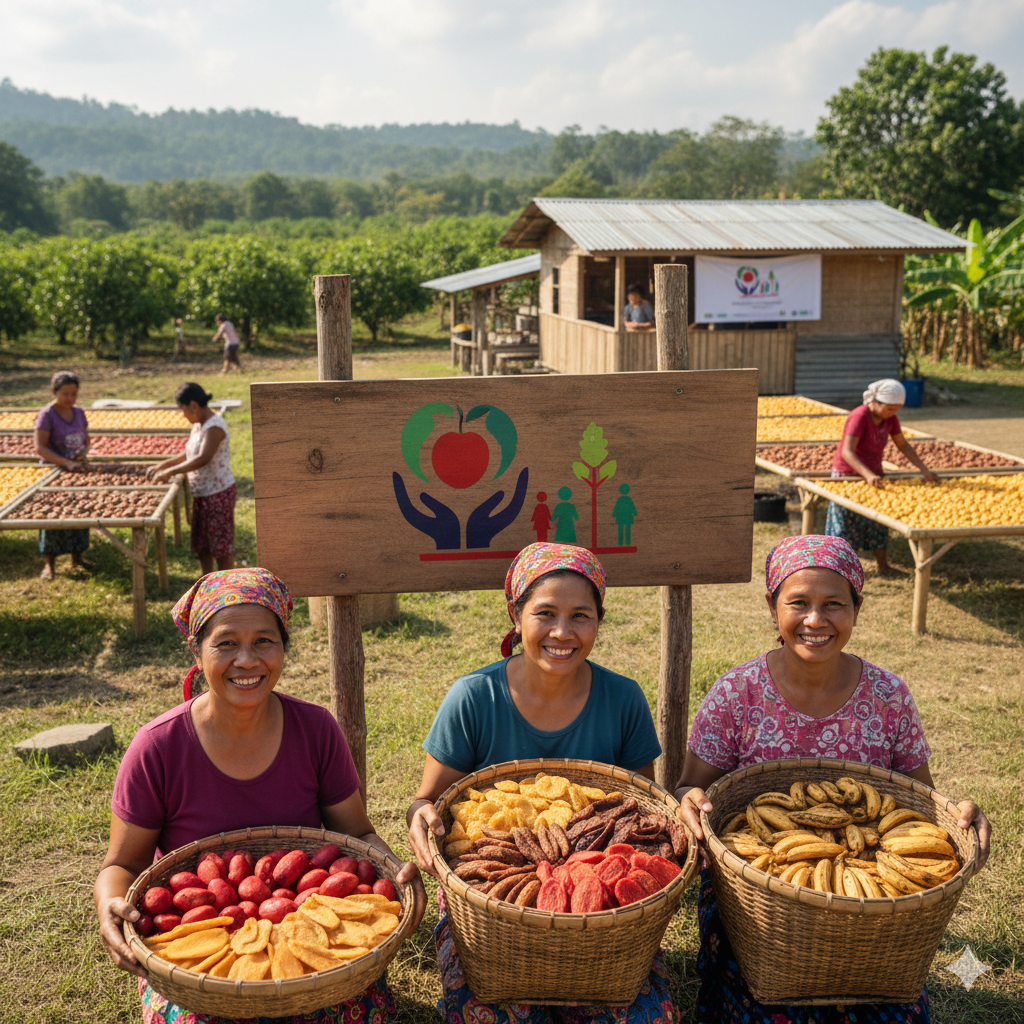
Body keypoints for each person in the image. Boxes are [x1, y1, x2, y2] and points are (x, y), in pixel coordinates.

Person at [675, 534, 991, 1024]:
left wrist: (962, 815)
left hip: (871, 901)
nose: (815, 620)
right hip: (758, 898)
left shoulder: (888, 696)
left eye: (834, 605)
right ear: (772, 607)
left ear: (857, 609)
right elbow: (686, 787)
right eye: (798, 603)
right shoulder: (737, 693)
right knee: (765, 1005)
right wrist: (690, 802)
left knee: (891, 1010)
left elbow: (923, 803)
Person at [94, 567, 425, 1024]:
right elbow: (121, 865)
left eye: (264, 641)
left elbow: (358, 834)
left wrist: (395, 873)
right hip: (198, 961)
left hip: (310, 949)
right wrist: (109, 906)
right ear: (196, 650)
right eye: (226, 643)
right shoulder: (157, 747)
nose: (247, 660)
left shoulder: (316, 729)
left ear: (283, 647)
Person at [407, 543, 676, 1024]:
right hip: (488, 911)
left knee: (643, 1014)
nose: (562, 632)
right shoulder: (475, 698)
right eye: (545, 613)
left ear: (599, 621)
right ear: (516, 615)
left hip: (599, 921)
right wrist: (420, 816)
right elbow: (427, 800)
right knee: (488, 1011)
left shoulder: (623, 699)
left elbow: (642, 818)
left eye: (580, 616)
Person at [828, 378, 939, 573]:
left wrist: (924, 470)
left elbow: (903, 445)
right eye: (889, 408)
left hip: (874, 475)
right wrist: (867, 475)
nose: (893, 413)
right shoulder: (859, 416)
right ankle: (839, 570)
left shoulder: (890, 420)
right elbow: (847, 452)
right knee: (844, 522)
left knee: (877, 521)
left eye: (896, 409)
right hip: (848, 474)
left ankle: (883, 566)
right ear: (875, 402)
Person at [147, 383, 235, 578]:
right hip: (202, 492)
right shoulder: (198, 425)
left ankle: (227, 583)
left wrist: (170, 472)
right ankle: (207, 580)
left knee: (220, 545)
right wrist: (164, 464)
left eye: (183, 409)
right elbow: (189, 453)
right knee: (203, 543)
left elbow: (203, 458)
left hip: (218, 493)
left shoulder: (214, 426)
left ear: (193, 405)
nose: (183, 415)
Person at [33, 370, 91, 579]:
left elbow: (86, 440)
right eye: (65, 393)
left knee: (79, 511)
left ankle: (77, 558)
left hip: (76, 471)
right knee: (53, 514)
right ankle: (50, 564)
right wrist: (65, 462)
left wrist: (83, 453)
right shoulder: (47, 415)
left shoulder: (79, 412)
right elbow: (40, 447)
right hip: (54, 471)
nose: (70, 398)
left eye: (73, 394)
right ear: (53, 391)